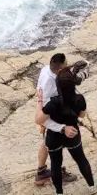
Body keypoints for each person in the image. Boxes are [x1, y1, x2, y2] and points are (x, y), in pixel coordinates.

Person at [36, 68, 97, 195]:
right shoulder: (80, 99)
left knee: (56, 164)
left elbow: (39, 120)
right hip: (73, 134)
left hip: (54, 135)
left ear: (57, 84)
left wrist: (40, 103)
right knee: (81, 159)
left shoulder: (53, 102)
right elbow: (82, 115)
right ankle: (92, 186)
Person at [34, 54, 78, 187]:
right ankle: (56, 174)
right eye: (65, 64)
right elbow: (45, 111)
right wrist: (60, 127)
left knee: (46, 143)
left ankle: (41, 172)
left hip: (45, 108)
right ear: (59, 69)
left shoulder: (46, 69)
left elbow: (38, 91)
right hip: (50, 114)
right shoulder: (50, 84)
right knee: (54, 146)